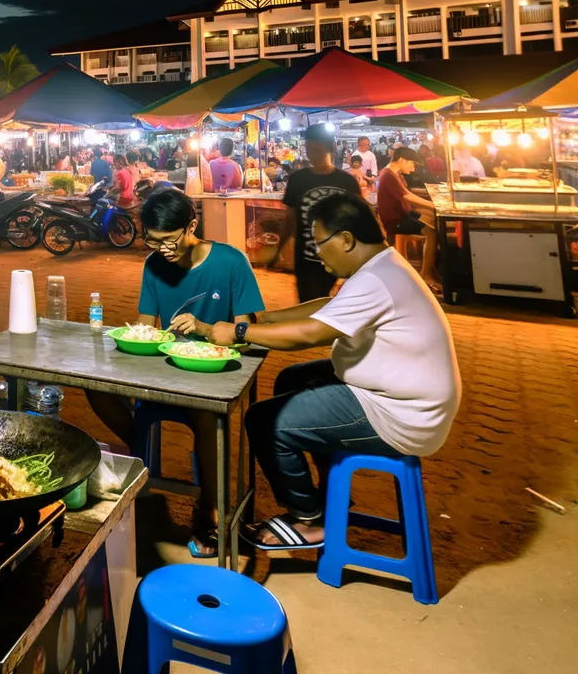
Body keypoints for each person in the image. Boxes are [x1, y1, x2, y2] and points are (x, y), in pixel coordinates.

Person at [174, 193, 460, 550]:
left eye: (320, 243)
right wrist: (266, 318)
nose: (317, 252)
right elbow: (330, 306)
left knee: (265, 421)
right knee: (291, 379)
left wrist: (237, 331)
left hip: (402, 414)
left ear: (346, 240)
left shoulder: (377, 280)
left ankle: (307, 518)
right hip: (401, 393)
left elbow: (312, 333)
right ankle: (327, 492)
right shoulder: (381, 267)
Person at [86, 187, 264, 557]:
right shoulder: (154, 265)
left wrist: (203, 330)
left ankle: (208, 509)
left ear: (191, 226)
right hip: (164, 365)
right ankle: (141, 451)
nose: (163, 250)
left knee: (205, 414)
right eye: (153, 242)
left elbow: (245, 335)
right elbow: (145, 326)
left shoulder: (231, 262)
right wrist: (138, 339)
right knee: (94, 385)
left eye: (169, 241)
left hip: (213, 370)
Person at [276, 126, 362, 302]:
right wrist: (278, 248)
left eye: (315, 149)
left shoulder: (347, 182)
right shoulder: (297, 179)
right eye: (308, 149)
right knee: (308, 302)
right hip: (306, 258)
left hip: (338, 258)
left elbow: (358, 220)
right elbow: (290, 218)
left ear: (329, 148)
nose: (310, 154)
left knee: (330, 305)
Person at [377, 147, 440, 291]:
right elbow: (407, 195)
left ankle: (432, 266)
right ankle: (425, 273)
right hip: (396, 221)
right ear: (402, 160)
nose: (413, 168)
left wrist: (431, 207)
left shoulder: (393, 173)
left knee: (432, 218)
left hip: (404, 213)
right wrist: (433, 204)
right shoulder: (388, 175)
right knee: (430, 231)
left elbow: (406, 193)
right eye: (412, 164)